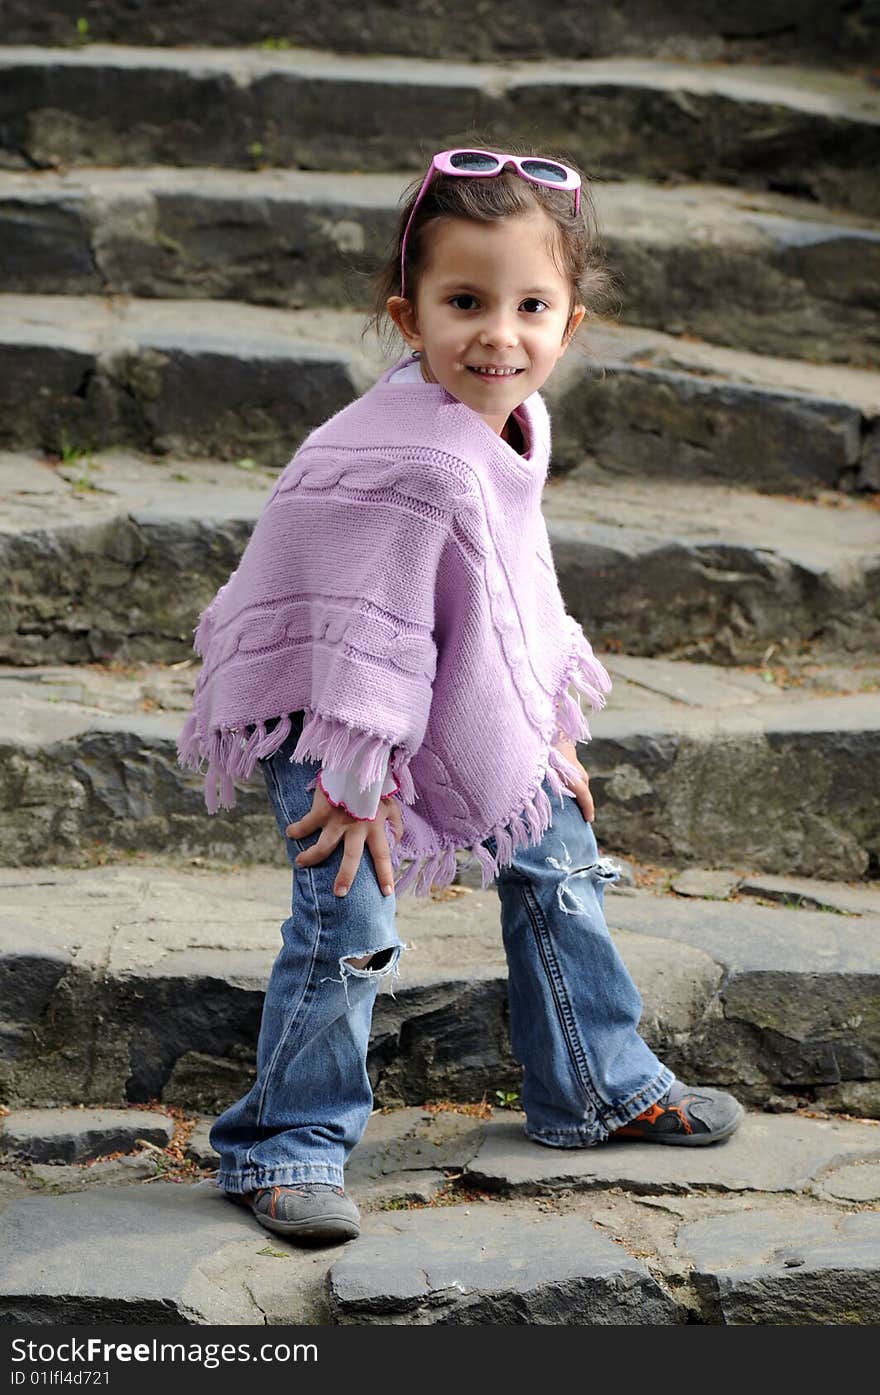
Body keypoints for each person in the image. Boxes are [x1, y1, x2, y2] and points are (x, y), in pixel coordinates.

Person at [177, 144, 742, 1246]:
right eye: (465, 302)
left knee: (557, 853)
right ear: (409, 315)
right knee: (351, 922)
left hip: (426, 687)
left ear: (569, 324)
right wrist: (351, 784)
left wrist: (539, 729)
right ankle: (282, 1143)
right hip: (331, 714)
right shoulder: (411, 457)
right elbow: (361, 632)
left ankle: (596, 1085)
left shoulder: (511, 425)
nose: (499, 334)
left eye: (531, 305)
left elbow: (504, 592)